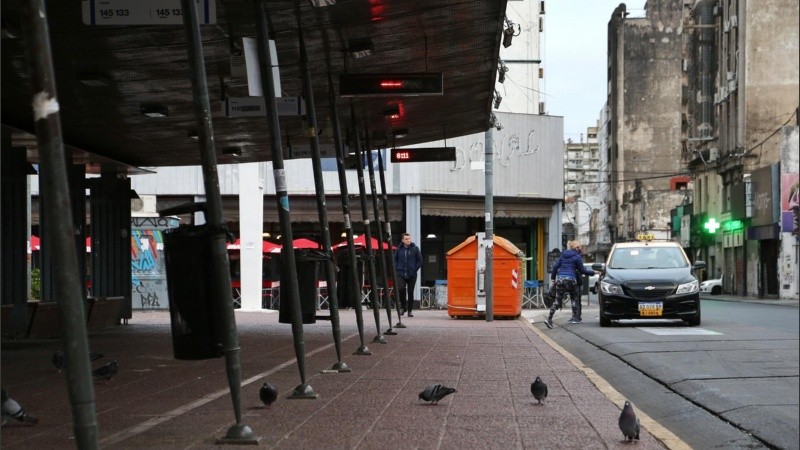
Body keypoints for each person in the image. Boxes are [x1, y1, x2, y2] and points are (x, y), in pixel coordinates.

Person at [544, 240, 595, 328]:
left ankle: (549, 319)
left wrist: (553, 278)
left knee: (557, 300)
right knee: (574, 298)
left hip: (561, 279)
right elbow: (583, 270)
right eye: (581, 247)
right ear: (577, 248)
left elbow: (556, 267)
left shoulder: (563, 255)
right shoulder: (577, 257)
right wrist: (593, 273)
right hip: (571, 279)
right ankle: (575, 318)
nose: (581, 249)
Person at [394, 233, 423, 317]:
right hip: (401, 273)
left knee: (410, 292)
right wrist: (397, 268)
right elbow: (395, 259)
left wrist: (414, 269)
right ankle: (403, 307)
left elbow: (420, 261)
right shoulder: (399, 249)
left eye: (409, 238)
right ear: (402, 240)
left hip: (412, 274)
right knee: (401, 289)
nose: (408, 240)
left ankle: (410, 311)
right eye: (406, 239)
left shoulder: (415, 249)